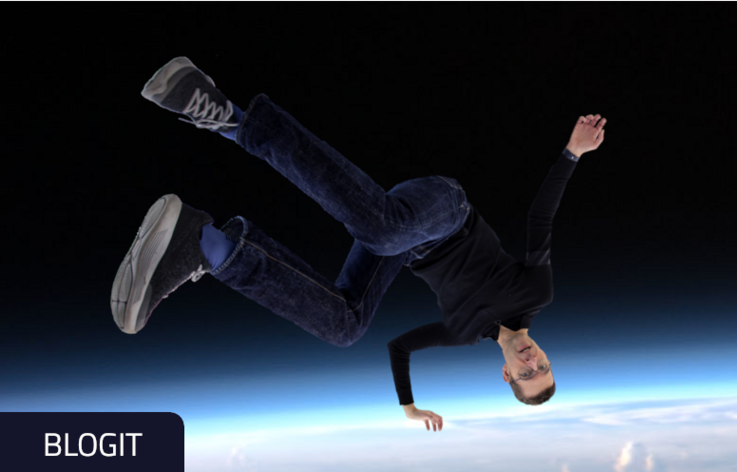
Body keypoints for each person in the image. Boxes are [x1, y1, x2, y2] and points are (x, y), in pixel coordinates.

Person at [111, 56, 607, 432]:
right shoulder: (536, 293)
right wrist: (571, 152)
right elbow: (540, 219)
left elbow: (399, 347)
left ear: (506, 376)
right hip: (446, 210)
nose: (531, 362)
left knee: (345, 327)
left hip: (402, 245)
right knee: (386, 231)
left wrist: (409, 407)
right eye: (543, 366)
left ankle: (205, 244)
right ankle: (233, 120)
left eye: (526, 374)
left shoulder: (463, 333)